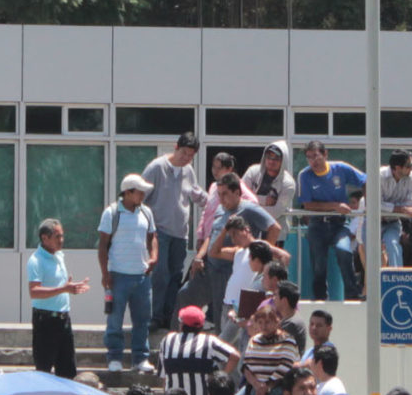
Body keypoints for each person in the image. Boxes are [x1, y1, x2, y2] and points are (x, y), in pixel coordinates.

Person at [139, 133, 206, 332]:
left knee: (175, 275)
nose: (186, 158)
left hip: (180, 232)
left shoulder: (189, 170)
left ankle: (170, 316)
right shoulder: (157, 167)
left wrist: (211, 199)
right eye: (184, 153)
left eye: (190, 156)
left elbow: (195, 194)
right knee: (160, 274)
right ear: (176, 147)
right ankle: (155, 316)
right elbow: (140, 196)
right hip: (159, 230)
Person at [197, 174, 277, 335]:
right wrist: (226, 229)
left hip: (237, 278)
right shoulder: (220, 210)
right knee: (220, 321)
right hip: (218, 271)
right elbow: (213, 246)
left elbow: (275, 228)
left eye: (225, 193)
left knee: (232, 339)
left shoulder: (249, 208)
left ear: (237, 192)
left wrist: (262, 254)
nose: (221, 198)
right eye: (219, 194)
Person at [96, 174, 159, 372]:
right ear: (128, 192)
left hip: (142, 276)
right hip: (118, 275)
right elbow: (103, 245)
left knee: (142, 319)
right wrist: (105, 273)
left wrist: (154, 256)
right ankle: (114, 357)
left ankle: (140, 358)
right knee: (115, 318)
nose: (143, 195)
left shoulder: (146, 213)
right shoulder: (112, 213)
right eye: (139, 191)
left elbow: (152, 237)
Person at [292, 140, 365, 303]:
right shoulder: (304, 175)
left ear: (325, 154)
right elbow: (308, 204)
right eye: (309, 158)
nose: (313, 161)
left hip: (339, 224)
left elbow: (365, 180)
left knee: (344, 251)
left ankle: (352, 294)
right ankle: (320, 298)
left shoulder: (340, 168)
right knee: (319, 264)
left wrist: (368, 203)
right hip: (317, 224)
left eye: (316, 156)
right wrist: (334, 206)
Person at [25, 217, 90, 376]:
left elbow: (60, 287)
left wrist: (70, 289)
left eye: (62, 236)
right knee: (43, 370)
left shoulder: (59, 255)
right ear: (44, 238)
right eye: (57, 237)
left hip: (63, 319)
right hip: (45, 320)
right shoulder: (36, 260)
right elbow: (34, 291)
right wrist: (63, 289)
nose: (61, 240)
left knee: (68, 370)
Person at [375, 150, 412, 268]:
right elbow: (374, 203)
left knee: (394, 246)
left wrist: (394, 209)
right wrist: (400, 209)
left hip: (393, 222)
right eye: (408, 166)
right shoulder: (378, 175)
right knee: (370, 254)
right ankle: (369, 285)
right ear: (397, 167)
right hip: (371, 221)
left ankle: (397, 280)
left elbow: (411, 206)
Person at [241, 142, 294, 218]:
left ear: (283, 160)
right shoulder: (252, 172)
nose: (271, 161)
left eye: (276, 158)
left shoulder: (288, 184)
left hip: (275, 227)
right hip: (248, 225)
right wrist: (263, 200)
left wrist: (249, 206)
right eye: (269, 157)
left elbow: (276, 212)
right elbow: (239, 197)